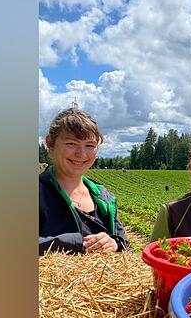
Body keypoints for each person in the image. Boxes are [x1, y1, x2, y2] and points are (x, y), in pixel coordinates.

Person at [39, 107, 130, 255]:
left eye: (90, 146)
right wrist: (74, 242)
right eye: (71, 144)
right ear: (50, 144)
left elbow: (126, 247)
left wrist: (114, 243)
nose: (81, 154)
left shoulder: (103, 197)